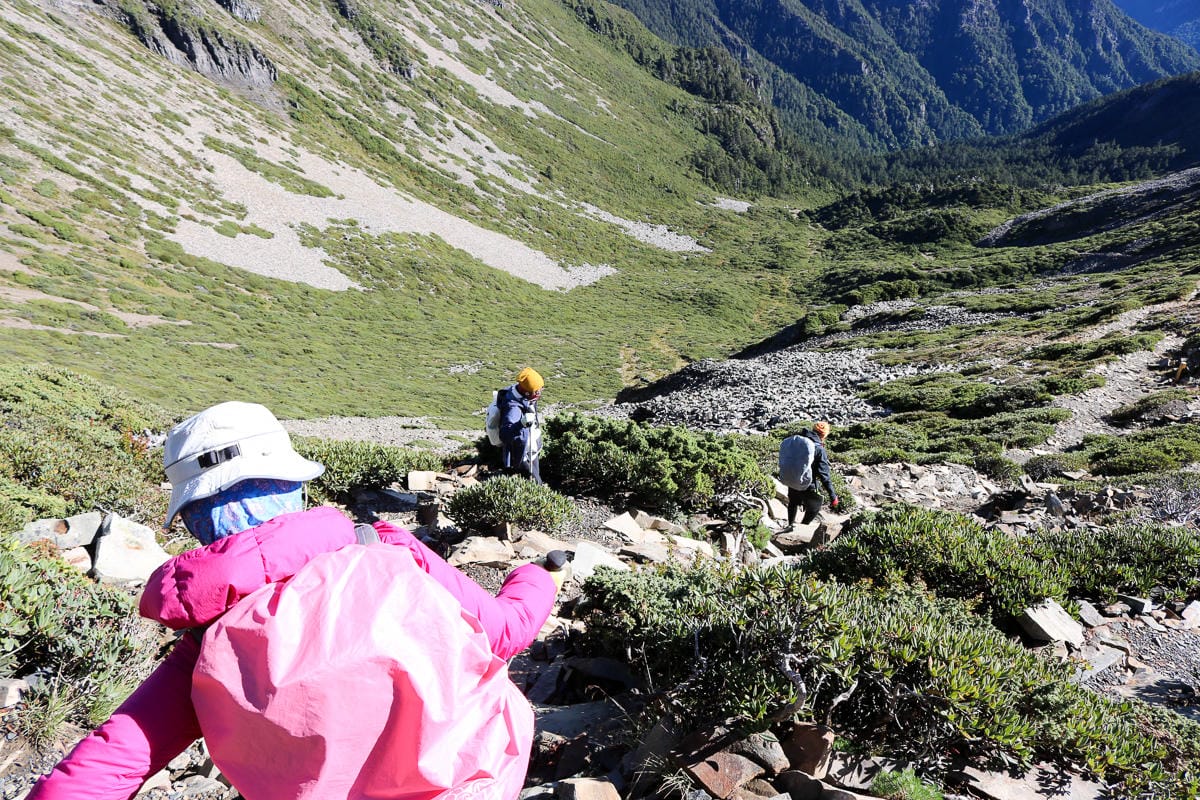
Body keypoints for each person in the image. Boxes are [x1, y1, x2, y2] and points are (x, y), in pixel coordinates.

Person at [28, 401, 557, 800]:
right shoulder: (378, 543)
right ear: (291, 480)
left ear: (192, 520)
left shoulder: (203, 649)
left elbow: (105, 767)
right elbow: (507, 631)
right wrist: (537, 575)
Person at [778, 421, 840, 530]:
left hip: (792, 479)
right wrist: (833, 496)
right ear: (824, 435)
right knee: (815, 507)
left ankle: (790, 524)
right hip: (808, 484)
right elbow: (824, 475)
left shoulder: (800, 442)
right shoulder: (819, 449)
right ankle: (802, 527)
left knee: (793, 502)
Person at [498, 367, 544, 483]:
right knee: (534, 482)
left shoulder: (521, 393)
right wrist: (521, 424)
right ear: (527, 392)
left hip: (528, 447)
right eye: (537, 391)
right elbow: (505, 435)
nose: (540, 392)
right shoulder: (513, 409)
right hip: (523, 453)